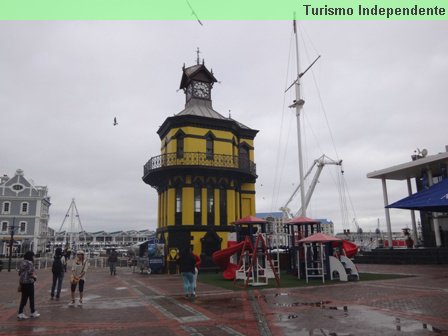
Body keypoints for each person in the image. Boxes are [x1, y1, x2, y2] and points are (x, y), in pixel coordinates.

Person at [17, 251, 40, 320]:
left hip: (23, 282)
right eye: (33, 256)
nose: (34, 257)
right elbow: (30, 273)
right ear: (30, 256)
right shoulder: (30, 263)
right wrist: (35, 277)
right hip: (29, 283)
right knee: (31, 298)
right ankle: (31, 312)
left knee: (24, 298)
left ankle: (21, 313)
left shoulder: (22, 262)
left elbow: (19, 273)